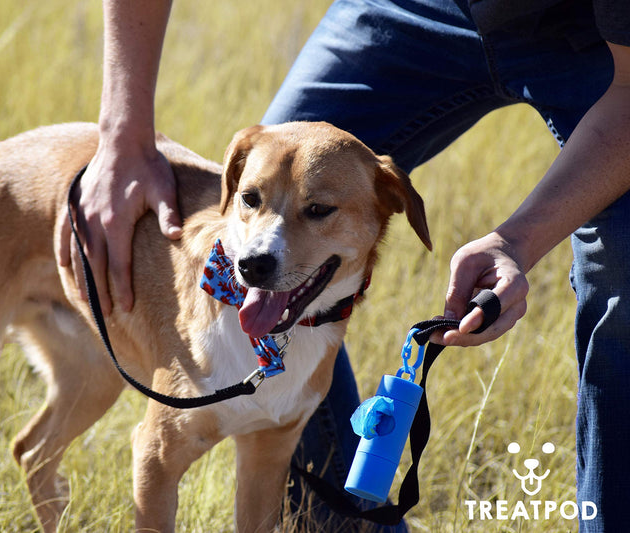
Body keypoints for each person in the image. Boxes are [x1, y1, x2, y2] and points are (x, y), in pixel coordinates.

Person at [58, 0, 630, 530]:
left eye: (318, 211)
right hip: (413, 7)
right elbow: (271, 178)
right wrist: (122, 133)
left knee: (623, 264)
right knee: (287, 153)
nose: (263, 249)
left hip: (591, 29)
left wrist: (518, 241)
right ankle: (343, 516)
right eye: (249, 202)